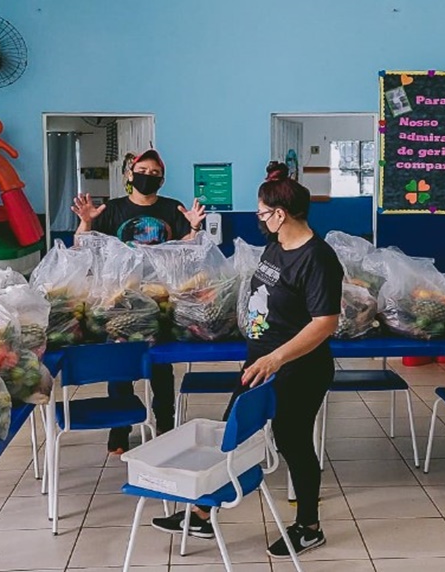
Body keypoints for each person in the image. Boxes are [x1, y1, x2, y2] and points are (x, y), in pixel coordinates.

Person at [151, 161, 342, 559]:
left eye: (261, 213)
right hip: (261, 363)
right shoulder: (278, 246)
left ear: (279, 214)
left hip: (299, 367)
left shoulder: (317, 258)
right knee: (233, 434)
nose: (258, 220)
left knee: (293, 441)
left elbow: (324, 323)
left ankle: (309, 527)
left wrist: (275, 357)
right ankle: (202, 516)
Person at [71, 149, 207, 453]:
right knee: (120, 365)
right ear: (130, 175)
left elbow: (188, 252)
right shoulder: (111, 209)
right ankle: (120, 429)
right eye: (143, 170)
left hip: (161, 300)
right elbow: (81, 248)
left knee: (161, 365)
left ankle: (165, 424)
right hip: (120, 300)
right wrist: (86, 222)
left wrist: (195, 228)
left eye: (156, 173)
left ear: (162, 179)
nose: (149, 176)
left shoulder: (173, 209)